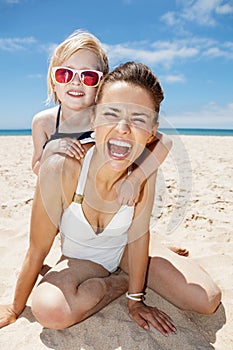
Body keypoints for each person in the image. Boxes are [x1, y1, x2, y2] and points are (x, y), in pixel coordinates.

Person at [0, 62, 221, 335]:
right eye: (111, 113)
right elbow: (37, 249)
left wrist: (136, 301)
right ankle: (119, 282)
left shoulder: (143, 169)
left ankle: (152, 256)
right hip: (83, 259)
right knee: (50, 310)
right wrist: (14, 307)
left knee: (207, 300)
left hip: (128, 251)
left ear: (152, 130)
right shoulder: (61, 168)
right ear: (93, 118)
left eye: (139, 118)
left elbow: (139, 236)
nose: (123, 128)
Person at [31, 29, 172, 205]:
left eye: (88, 76)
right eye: (64, 74)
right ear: (53, 80)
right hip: (63, 195)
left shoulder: (105, 119)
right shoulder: (43, 122)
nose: (75, 82)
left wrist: (135, 179)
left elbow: (164, 142)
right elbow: (36, 165)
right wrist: (52, 149)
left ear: (102, 84)